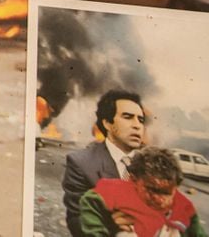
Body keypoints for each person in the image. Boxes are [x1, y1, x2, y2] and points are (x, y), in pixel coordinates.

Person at [63, 90, 147, 237]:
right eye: (128, 117)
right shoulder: (82, 163)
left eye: (141, 120)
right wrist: (112, 223)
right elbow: (77, 222)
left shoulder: (153, 164)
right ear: (107, 123)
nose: (137, 125)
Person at [78, 146, 207, 236]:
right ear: (133, 180)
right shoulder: (118, 191)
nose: (160, 199)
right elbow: (90, 200)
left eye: (167, 193)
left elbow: (198, 232)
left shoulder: (182, 206)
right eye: (152, 190)